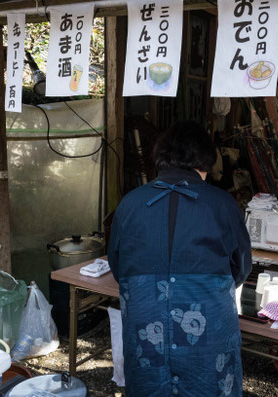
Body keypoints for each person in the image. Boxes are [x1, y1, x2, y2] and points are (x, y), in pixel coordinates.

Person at [108, 121, 252, 397]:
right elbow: (241, 267)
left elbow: (118, 267)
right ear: (205, 161)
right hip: (206, 323)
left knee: (149, 384)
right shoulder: (222, 204)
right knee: (209, 386)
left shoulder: (130, 204)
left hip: (146, 323)